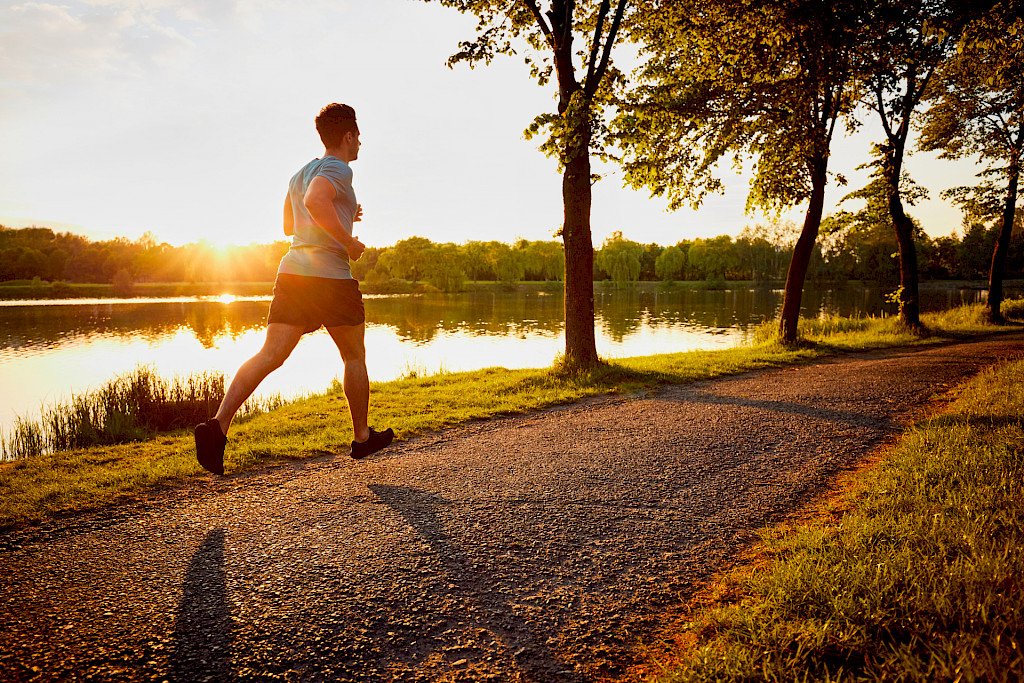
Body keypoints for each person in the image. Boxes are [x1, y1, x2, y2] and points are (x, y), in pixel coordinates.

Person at [194, 103, 394, 475]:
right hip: (330, 277)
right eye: (359, 136)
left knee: (271, 354)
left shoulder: (300, 173)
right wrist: (348, 242)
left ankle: (217, 426)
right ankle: (363, 438)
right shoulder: (338, 167)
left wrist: (345, 212)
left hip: (294, 274)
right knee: (353, 356)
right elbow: (316, 201)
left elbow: (292, 224)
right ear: (348, 136)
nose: (361, 143)